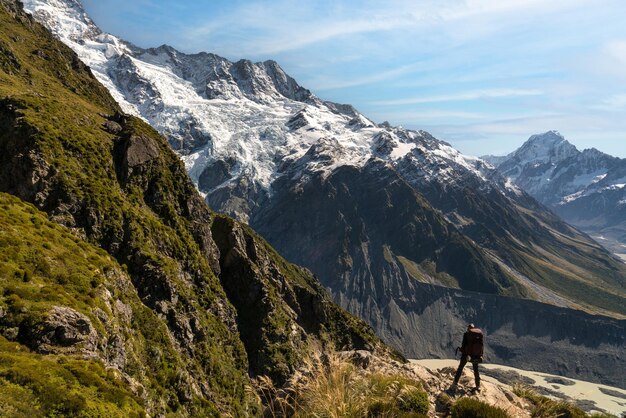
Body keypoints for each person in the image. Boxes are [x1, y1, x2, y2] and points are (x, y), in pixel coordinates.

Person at [451, 323, 483, 392]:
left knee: (460, 368)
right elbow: (481, 346)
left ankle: (455, 383)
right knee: (476, 370)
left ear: (468, 328)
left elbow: (464, 344)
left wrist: (461, 350)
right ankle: (478, 386)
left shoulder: (466, 334)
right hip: (475, 355)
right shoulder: (478, 335)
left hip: (466, 355)